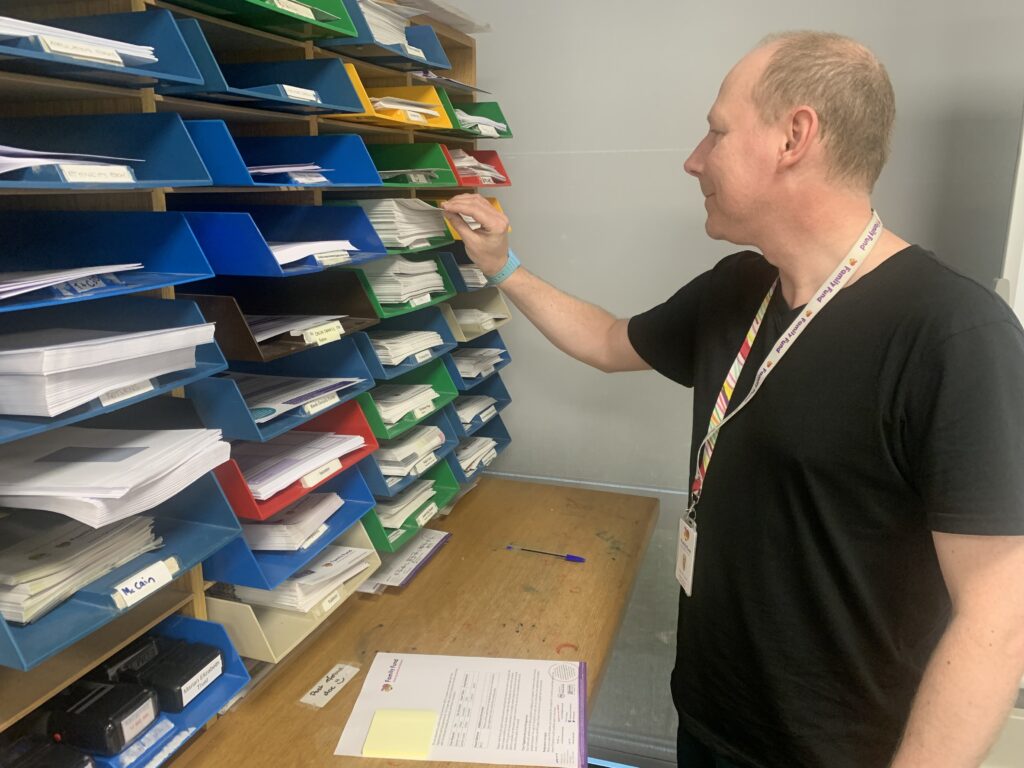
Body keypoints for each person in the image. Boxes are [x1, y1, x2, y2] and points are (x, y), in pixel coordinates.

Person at [441, 30, 1024, 768]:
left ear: (794, 136)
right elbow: (608, 341)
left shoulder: (953, 334)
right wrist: (505, 266)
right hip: (711, 725)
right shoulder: (737, 291)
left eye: (716, 131)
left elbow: (999, 621)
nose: (694, 158)